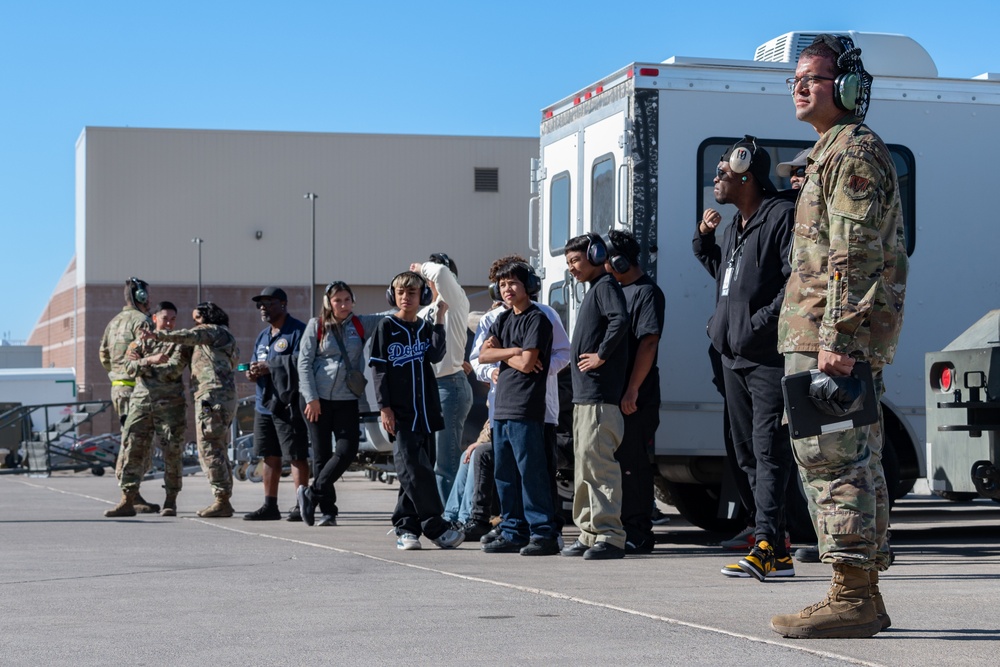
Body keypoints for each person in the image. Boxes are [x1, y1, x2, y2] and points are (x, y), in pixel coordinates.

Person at [770, 34, 907, 639]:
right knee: (858, 461)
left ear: (850, 89)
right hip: (827, 336)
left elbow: (854, 256)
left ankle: (850, 596)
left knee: (834, 465)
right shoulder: (830, 151)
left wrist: (839, 340)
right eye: (796, 78)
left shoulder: (850, 152)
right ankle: (865, 596)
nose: (800, 87)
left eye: (815, 78)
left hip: (831, 340)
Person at [693, 136, 796, 580]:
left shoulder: (780, 216)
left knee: (767, 450)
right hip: (732, 356)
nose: (716, 180)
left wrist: (756, 327)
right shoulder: (736, 225)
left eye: (722, 173)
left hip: (766, 358)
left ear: (745, 173)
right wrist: (704, 242)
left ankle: (768, 545)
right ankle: (775, 542)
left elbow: (793, 283)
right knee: (744, 453)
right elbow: (728, 278)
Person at [470, 256, 571, 546]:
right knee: (505, 474)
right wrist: (514, 351)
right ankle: (513, 531)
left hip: (527, 405)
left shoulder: (539, 317)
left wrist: (510, 355)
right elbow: (484, 356)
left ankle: (543, 532)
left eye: (513, 282)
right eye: (502, 284)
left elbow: (530, 364)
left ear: (529, 285)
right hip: (500, 406)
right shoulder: (500, 319)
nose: (507, 289)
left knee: (532, 473)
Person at [369, 271, 464, 550]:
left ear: (422, 296)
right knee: (413, 469)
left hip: (426, 411)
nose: (405, 298)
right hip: (400, 414)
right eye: (400, 293)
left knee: (418, 470)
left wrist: (440, 320)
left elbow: (435, 355)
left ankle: (406, 529)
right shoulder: (386, 327)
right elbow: (378, 371)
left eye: (411, 293)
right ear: (393, 296)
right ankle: (435, 524)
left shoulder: (425, 327)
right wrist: (384, 408)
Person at [560, 234, 629, 560]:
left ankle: (610, 536)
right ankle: (589, 532)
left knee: (599, 467)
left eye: (575, 260)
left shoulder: (606, 287)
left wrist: (601, 355)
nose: (572, 267)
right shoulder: (594, 291)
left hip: (600, 398)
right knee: (584, 467)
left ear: (597, 254)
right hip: (585, 398)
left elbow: (620, 321)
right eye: (569, 263)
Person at [296, 281, 384, 527]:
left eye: (347, 300)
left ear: (353, 301)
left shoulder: (360, 323)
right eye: (337, 301)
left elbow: (389, 317)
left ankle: (311, 494)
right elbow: (304, 364)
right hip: (317, 399)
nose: (343, 305)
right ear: (328, 303)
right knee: (322, 455)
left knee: (346, 450)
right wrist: (311, 398)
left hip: (347, 399)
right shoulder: (317, 326)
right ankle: (328, 511)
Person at [140, 302, 240, 517]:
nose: (194, 325)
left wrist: (158, 337)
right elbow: (176, 365)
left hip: (211, 396)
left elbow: (189, 335)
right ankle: (223, 497)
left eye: (197, 320)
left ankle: (222, 499)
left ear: (207, 318)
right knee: (218, 446)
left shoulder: (212, 331)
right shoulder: (224, 338)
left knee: (209, 447)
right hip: (223, 397)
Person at [604, 230, 665, 555]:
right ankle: (621, 525)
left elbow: (649, 342)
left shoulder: (646, 293)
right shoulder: (618, 291)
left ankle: (639, 531)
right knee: (618, 463)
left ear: (620, 260)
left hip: (636, 396)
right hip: (618, 393)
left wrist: (632, 390)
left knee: (634, 465)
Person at [104, 302, 191, 517]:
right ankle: (127, 499)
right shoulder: (139, 341)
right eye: (165, 319)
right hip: (141, 403)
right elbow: (128, 368)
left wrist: (142, 364)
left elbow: (173, 369)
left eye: (173, 319)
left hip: (170, 406)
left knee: (172, 451)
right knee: (133, 448)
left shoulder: (179, 343)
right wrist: (151, 360)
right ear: (154, 319)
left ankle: (171, 500)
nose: (169, 323)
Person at [243, 287, 310, 522]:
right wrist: (253, 372)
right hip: (264, 404)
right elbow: (258, 361)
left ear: (283, 304)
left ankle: (301, 505)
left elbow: (302, 361)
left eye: (269, 303)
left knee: (295, 454)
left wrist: (270, 366)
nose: (263, 307)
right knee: (269, 456)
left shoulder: (298, 331)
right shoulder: (263, 336)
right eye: (260, 304)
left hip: (287, 404)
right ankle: (270, 505)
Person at [411, 254, 472, 505]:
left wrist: (420, 267)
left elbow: (443, 275)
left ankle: (451, 516)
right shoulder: (427, 311)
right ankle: (438, 512)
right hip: (428, 389)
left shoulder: (455, 299)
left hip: (450, 387)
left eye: (429, 275)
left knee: (446, 462)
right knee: (430, 457)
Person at [98, 276, 159, 513]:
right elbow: (150, 354)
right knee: (138, 443)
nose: (150, 299)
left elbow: (103, 354)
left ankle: (134, 494)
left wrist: (116, 375)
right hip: (137, 389)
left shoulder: (113, 323)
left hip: (119, 388)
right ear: (141, 297)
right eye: (147, 295)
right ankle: (129, 494)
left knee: (130, 440)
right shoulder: (142, 321)